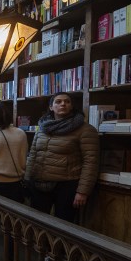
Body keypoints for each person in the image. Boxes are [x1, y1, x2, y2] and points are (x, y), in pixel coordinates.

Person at [25, 92, 100, 223]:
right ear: (51, 107)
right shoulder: (42, 128)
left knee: (63, 227)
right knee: (37, 224)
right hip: (39, 184)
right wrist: (27, 179)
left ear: (72, 106)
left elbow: (91, 162)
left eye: (67, 101)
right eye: (58, 102)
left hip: (67, 186)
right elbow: (33, 155)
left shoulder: (85, 130)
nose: (63, 104)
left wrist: (82, 191)